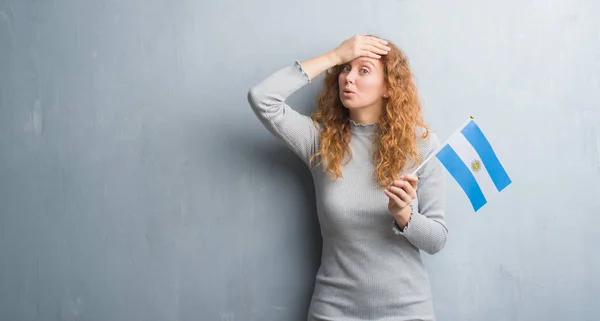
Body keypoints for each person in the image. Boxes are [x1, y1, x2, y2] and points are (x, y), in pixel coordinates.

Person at [247, 34, 448, 321]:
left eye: (363, 70)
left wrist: (405, 215)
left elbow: (437, 240)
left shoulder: (423, 146)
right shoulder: (321, 141)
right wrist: (335, 55)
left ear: (389, 87)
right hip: (333, 312)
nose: (348, 78)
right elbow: (262, 98)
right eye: (345, 68)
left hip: (406, 312)